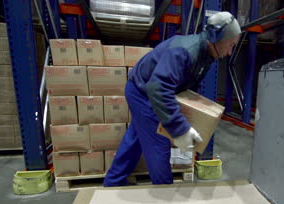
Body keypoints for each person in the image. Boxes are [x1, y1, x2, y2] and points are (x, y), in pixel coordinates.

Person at [103, 11, 241, 187]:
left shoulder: (206, 54)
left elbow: (186, 85)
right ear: (216, 38)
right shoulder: (184, 52)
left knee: (137, 137)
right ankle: (164, 191)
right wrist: (180, 129)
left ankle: (113, 181)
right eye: (230, 45)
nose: (230, 52)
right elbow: (158, 88)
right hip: (142, 92)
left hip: (150, 90)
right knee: (158, 143)